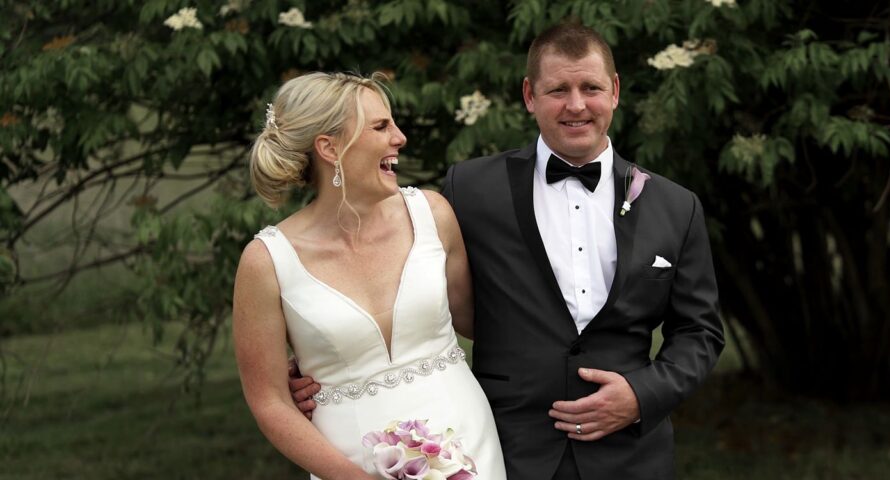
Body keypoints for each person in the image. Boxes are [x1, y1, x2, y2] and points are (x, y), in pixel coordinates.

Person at [294, 23, 725, 479]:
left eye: (591, 88)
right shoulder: (471, 189)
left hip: (631, 457)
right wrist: (326, 354)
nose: (576, 104)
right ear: (529, 95)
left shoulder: (677, 206)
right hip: (504, 448)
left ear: (614, 91)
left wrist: (642, 395)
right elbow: (389, 275)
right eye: (558, 89)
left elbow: (700, 331)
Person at [233, 71, 506, 479]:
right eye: (381, 126)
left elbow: (485, 324)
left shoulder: (431, 215)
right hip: (347, 463)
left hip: (468, 450)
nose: (400, 137)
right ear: (330, 147)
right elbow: (269, 402)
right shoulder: (267, 261)